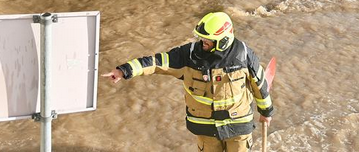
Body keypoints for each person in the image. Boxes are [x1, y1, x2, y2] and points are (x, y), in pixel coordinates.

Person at [104, 12, 274, 151]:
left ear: (222, 41)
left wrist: (266, 113)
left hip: (238, 127)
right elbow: (155, 62)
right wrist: (124, 70)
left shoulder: (244, 55)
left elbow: (260, 85)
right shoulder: (188, 55)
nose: (202, 43)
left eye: (207, 40)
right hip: (205, 128)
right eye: (201, 38)